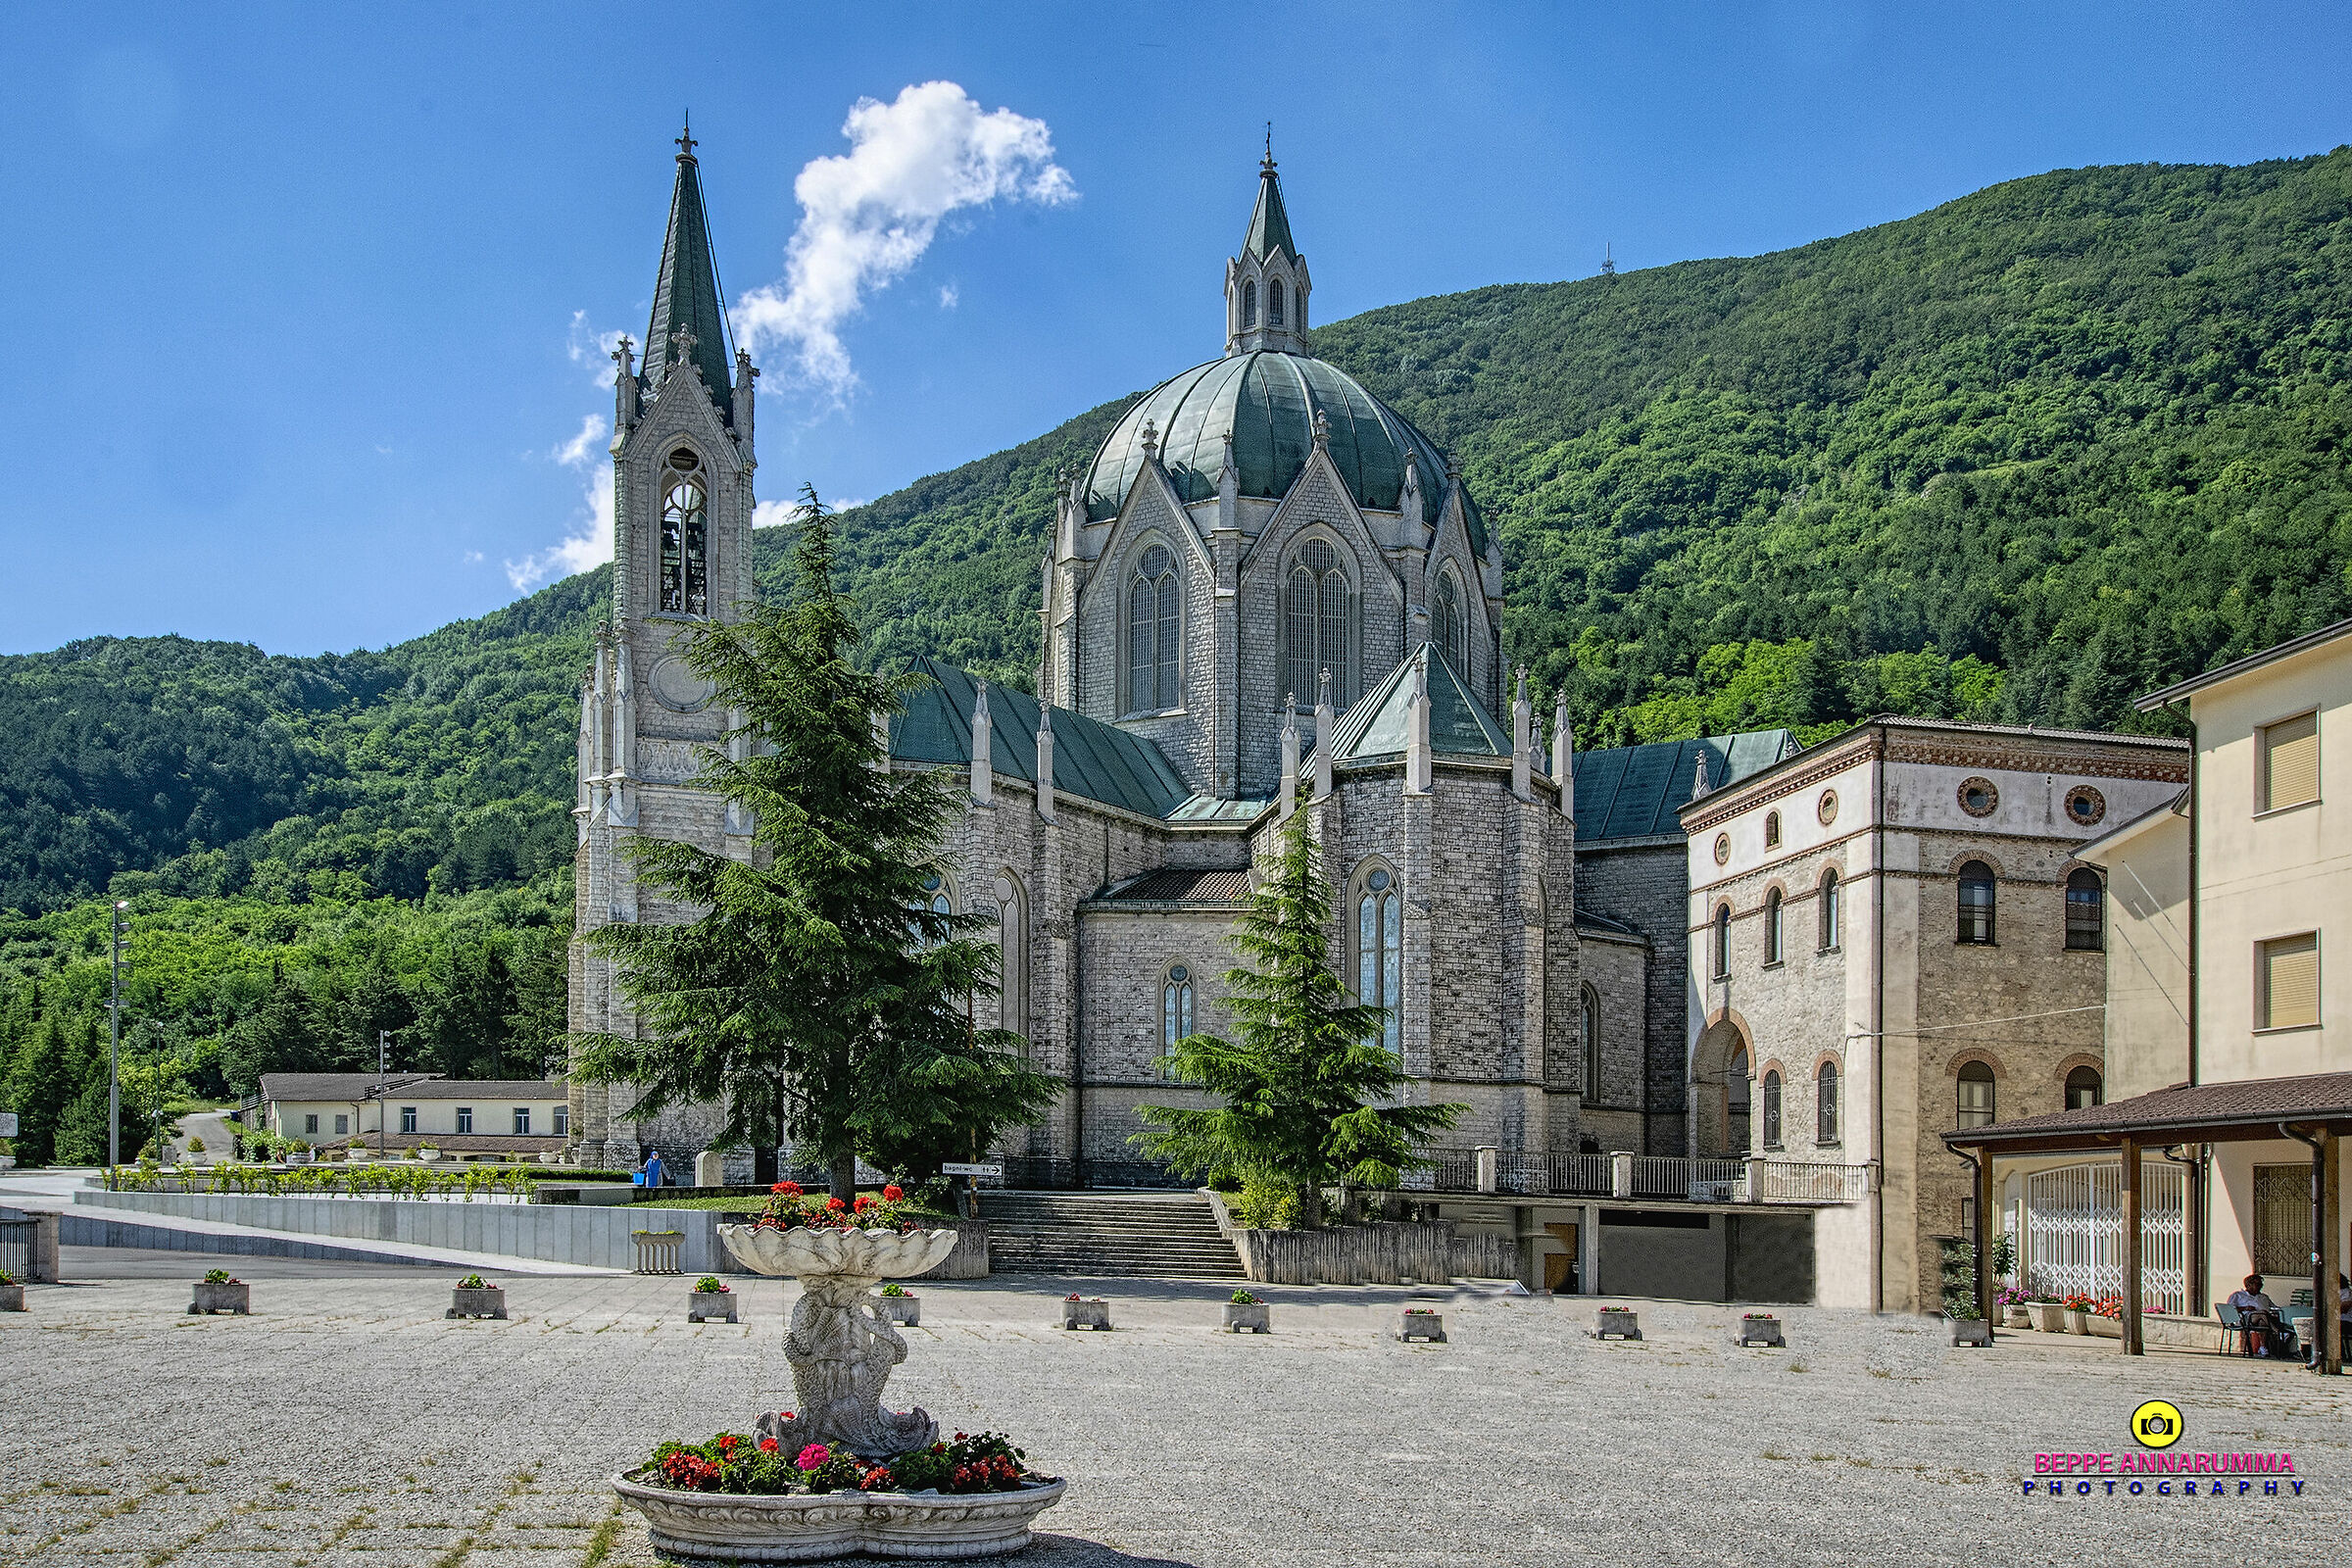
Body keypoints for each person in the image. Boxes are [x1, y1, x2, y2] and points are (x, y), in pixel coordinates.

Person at [2227, 1274, 2285, 1356]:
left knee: (2262, 1323)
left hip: (2264, 1319)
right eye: (2257, 1284)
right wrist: (2245, 1308)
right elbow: (2230, 1309)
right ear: (2249, 1285)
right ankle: (2276, 1330)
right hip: (2246, 1319)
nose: (2260, 1286)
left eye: (2261, 1284)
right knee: (2262, 1313)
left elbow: (2274, 1308)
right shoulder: (2238, 1295)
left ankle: (2263, 1347)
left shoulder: (2263, 1297)